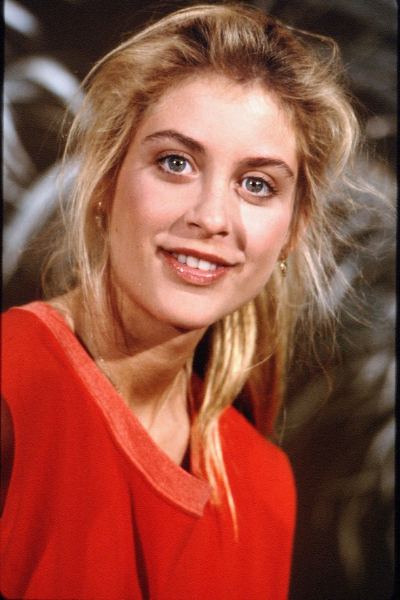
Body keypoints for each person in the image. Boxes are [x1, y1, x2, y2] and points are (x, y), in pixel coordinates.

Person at [1, 3, 360, 599]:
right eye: (176, 163)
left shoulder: (262, 487)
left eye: (257, 184)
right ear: (107, 177)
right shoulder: (13, 386)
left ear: (293, 230)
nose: (211, 217)